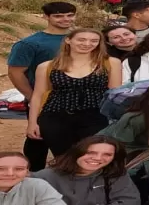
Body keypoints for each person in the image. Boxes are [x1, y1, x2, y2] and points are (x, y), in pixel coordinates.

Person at [27, 28, 123, 157]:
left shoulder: (110, 63)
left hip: (96, 116)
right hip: (56, 116)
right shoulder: (47, 66)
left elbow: (114, 94)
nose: (87, 44)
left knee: (91, 155)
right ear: (68, 40)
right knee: (63, 158)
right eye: (81, 40)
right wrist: (32, 123)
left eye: (94, 41)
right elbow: (38, 95)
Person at [7, 1, 78, 171]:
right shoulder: (30, 44)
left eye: (70, 15)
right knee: (38, 139)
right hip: (45, 99)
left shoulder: (81, 39)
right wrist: (32, 97)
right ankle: (31, 176)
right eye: (58, 16)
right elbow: (16, 72)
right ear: (45, 17)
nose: (65, 19)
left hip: (79, 100)